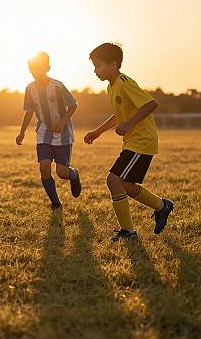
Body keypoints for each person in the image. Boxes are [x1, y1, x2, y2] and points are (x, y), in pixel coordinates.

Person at [84, 42, 173, 241]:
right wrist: (98, 132)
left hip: (142, 140)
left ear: (113, 64)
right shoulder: (111, 87)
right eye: (94, 66)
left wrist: (130, 123)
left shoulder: (125, 82)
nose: (95, 71)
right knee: (126, 185)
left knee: (113, 180)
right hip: (133, 141)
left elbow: (151, 103)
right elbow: (118, 115)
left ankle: (128, 231)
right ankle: (162, 206)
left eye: (98, 66)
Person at [16, 51, 81, 208]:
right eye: (31, 68)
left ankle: (73, 175)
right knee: (44, 167)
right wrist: (22, 132)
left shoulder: (57, 86)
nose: (35, 71)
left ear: (48, 68)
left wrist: (62, 122)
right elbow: (29, 111)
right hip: (44, 132)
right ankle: (56, 203)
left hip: (62, 133)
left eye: (38, 68)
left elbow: (73, 105)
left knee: (61, 173)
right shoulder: (30, 89)